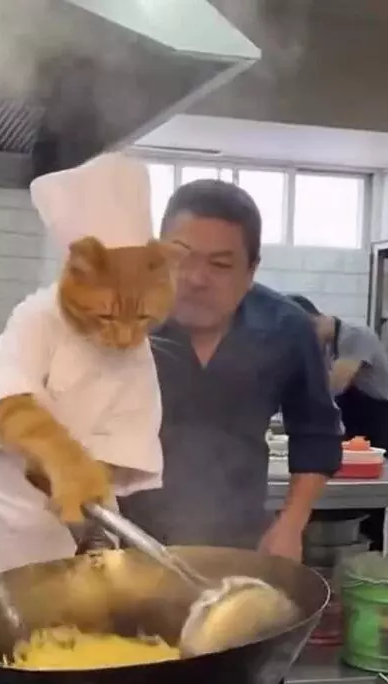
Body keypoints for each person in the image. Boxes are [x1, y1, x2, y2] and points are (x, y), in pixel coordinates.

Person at [0, 153, 173, 684]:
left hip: (86, 548)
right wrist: (66, 462)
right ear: (76, 272)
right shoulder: (37, 319)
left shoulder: (138, 352)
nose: (124, 337)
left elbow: (124, 450)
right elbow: (1, 405)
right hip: (4, 544)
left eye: (142, 319)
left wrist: (90, 499)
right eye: (105, 317)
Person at [120, 180, 341, 563]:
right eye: (180, 256)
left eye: (220, 265)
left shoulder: (287, 328)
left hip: (240, 541)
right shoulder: (121, 320)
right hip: (124, 537)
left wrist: (290, 525)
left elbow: (316, 434)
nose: (195, 278)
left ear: (251, 270)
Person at [289, 294, 388, 551]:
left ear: (312, 321)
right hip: (356, 433)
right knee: (364, 507)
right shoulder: (325, 346)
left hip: (385, 429)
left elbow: (336, 384)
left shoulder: (355, 336)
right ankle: (367, 559)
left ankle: (380, 564)